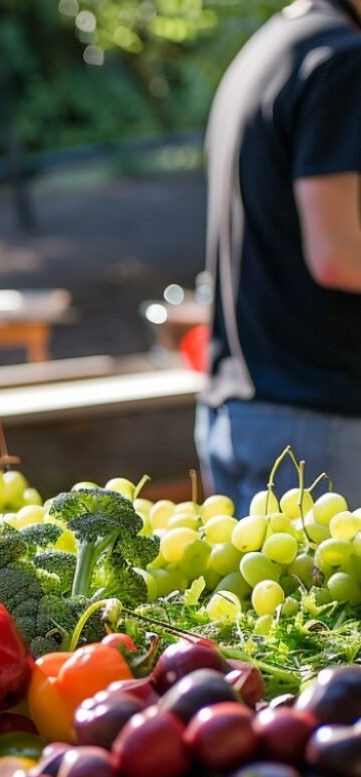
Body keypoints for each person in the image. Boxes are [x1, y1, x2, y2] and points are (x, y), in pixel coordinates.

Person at [196, 0, 361, 515]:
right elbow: (337, 255)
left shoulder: (269, 48)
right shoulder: (344, 61)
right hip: (318, 420)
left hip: (238, 412)